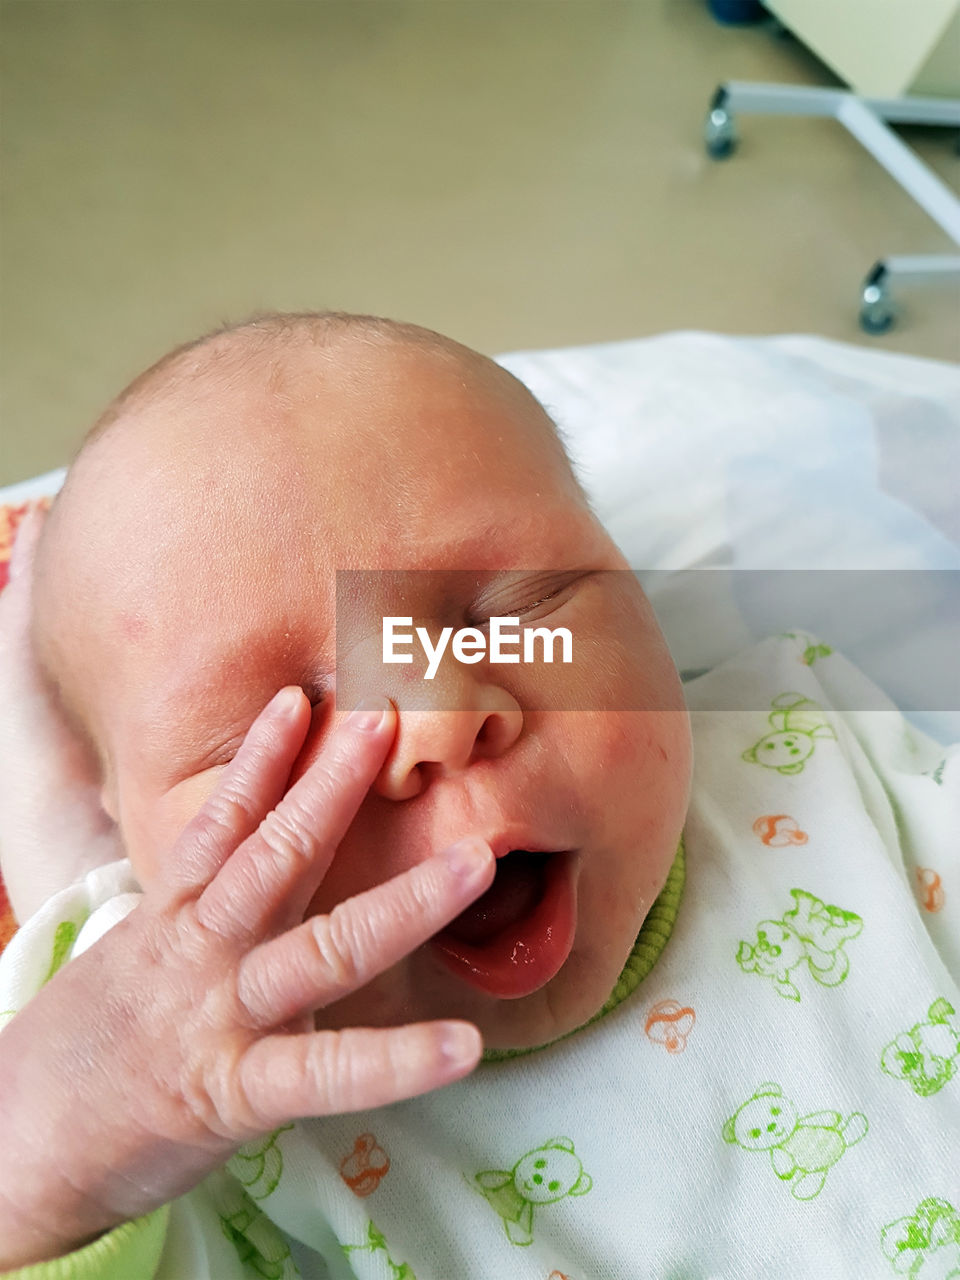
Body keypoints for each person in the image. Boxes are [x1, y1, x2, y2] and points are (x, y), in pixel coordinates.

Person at [0, 312, 956, 1279]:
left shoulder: (806, 756)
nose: (435, 718)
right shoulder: (193, 1100)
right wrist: (55, 1163)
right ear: (118, 818)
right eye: (276, 720)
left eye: (513, 612)